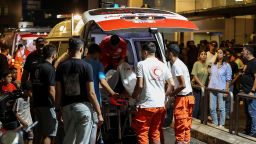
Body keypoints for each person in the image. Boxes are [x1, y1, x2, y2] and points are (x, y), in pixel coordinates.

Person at [55, 37, 103, 144]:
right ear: (81, 49)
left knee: (69, 140)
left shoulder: (61, 67)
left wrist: (57, 109)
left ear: (69, 49)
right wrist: (99, 113)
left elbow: (58, 92)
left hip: (66, 109)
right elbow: (91, 93)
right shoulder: (86, 66)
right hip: (83, 108)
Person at [131, 42, 173, 144]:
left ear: (145, 52)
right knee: (155, 132)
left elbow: (140, 85)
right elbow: (171, 83)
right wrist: (165, 95)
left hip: (146, 105)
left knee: (143, 133)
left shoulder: (141, 64)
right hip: (160, 105)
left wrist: (134, 96)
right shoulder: (162, 65)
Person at [84, 44, 119, 143]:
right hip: (94, 100)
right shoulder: (98, 65)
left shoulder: (81, 62)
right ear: (96, 54)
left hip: (80, 101)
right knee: (94, 128)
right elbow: (102, 81)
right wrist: (113, 93)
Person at [166, 44, 195, 144]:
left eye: (167, 52)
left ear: (171, 53)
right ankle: (185, 142)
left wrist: (172, 94)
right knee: (186, 125)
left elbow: (182, 85)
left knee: (180, 125)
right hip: (189, 97)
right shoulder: (180, 64)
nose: (166, 53)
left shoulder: (176, 65)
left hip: (183, 99)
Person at [31, 45, 58, 144]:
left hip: (37, 104)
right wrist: (57, 104)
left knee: (38, 133)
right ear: (54, 55)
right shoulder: (50, 69)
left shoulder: (35, 67)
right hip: (47, 105)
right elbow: (51, 89)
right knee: (48, 134)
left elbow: (32, 85)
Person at [208, 48, 232, 128]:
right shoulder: (213, 65)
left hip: (221, 89)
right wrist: (208, 87)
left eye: (220, 53)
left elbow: (228, 79)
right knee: (212, 107)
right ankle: (215, 122)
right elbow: (210, 76)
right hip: (212, 88)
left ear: (224, 54)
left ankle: (221, 124)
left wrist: (226, 89)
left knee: (221, 107)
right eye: (217, 53)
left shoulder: (227, 65)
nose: (219, 54)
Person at [240, 45, 256, 137]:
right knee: (247, 112)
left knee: (253, 112)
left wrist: (252, 91)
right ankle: (248, 130)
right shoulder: (247, 62)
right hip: (246, 91)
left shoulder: (254, 62)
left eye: (243, 50)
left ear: (248, 52)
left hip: (251, 92)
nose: (242, 52)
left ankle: (254, 132)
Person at [191, 48, 209, 118]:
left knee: (203, 106)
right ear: (199, 56)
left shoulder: (207, 65)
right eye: (202, 54)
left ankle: (201, 119)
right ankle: (194, 120)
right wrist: (201, 84)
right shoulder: (196, 63)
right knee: (196, 106)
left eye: (205, 54)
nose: (204, 56)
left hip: (204, 88)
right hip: (197, 88)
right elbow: (194, 75)